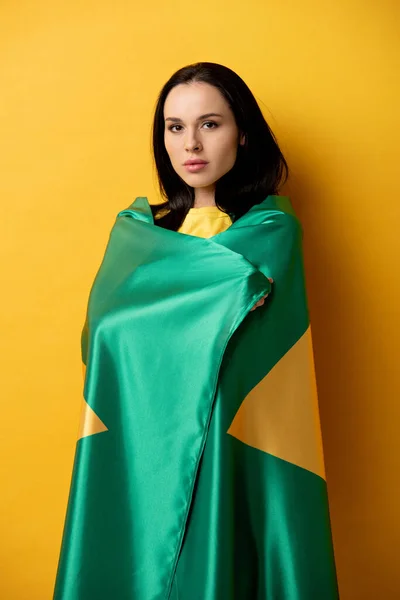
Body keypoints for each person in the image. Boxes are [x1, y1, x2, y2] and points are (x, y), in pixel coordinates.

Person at [54, 62, 339, 600]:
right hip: (140, 446)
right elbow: (102, 339)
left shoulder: (269, 233)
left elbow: (253, 345)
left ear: (243, 133)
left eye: (210, 124)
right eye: (175, 127)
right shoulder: (139, 237)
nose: (191, 144)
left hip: (227, 447)